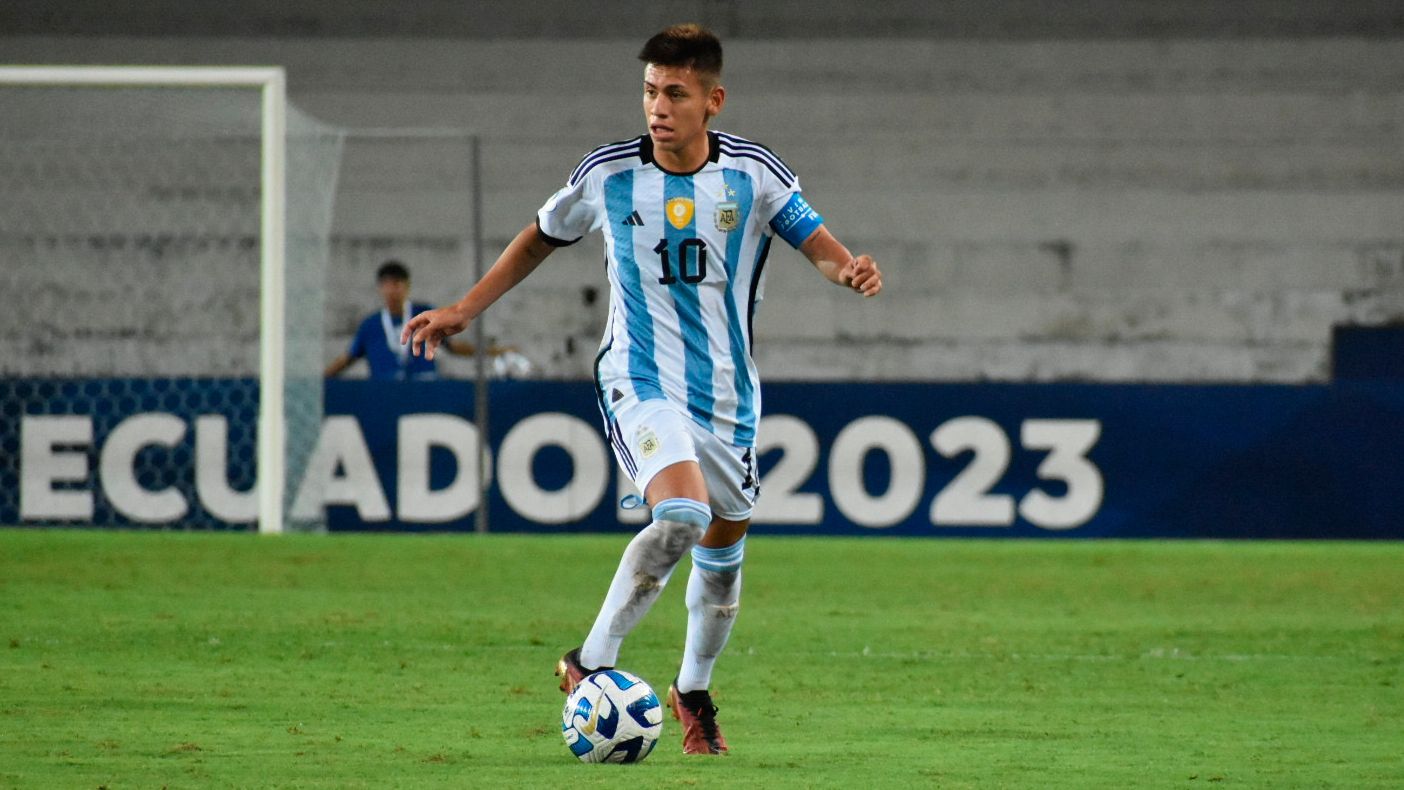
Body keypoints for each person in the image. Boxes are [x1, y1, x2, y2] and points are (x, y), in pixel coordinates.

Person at [402, 23, 882, 755]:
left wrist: (847, 269)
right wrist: (465, 309)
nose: (658, 107)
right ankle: (590, 661)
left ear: (713, 101)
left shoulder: (753, 174)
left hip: (727, 394)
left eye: (676, 93)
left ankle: (692, 692)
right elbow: (539, 236)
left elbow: (816, 245)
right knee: (682, 513)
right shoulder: (608, 173)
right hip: (639, 375)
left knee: (722, 559)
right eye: (651, 91)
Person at [325, 260, 494, 381]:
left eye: (396, 284)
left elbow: (453, 346)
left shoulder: (424, 314)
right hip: (384, 389)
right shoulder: (370, 324)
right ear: (380, 288)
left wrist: (493, 352)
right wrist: (320, 379)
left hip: (423, 386)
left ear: (407, 286)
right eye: (387, 285)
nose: (392, 290)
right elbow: (349, 358)